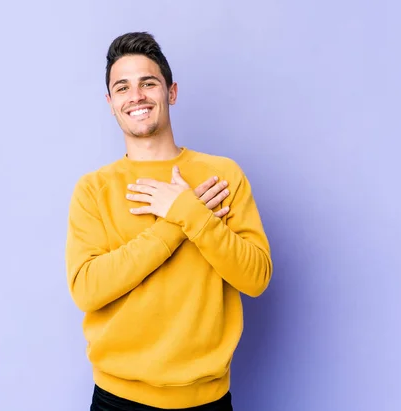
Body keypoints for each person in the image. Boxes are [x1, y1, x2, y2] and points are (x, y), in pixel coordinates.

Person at [65, 31, 273, 411]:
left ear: (171, 92)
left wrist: (188, 211)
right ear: (111, 103)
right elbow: (87, 290)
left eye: (149, 83)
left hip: (207, 399)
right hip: (119, 400)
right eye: (123, 87)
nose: (137, 96)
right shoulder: (94, 188)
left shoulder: (222, 175)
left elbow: (256, 278)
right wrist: (176, 223)